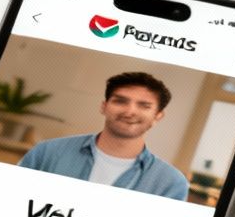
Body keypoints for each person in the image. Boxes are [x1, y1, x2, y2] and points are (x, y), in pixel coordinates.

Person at [16, 72, 189, 200]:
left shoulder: (171, 183)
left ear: (158, 116)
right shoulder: (47, 152)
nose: (130, 111)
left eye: (144, 105)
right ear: (104, 107)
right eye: (120, 101)